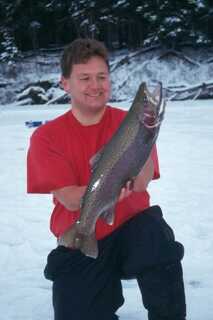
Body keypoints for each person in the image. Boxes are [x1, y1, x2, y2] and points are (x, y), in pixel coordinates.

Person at [27, 38, 186, 320]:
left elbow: (141, 182)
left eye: (102, 76)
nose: (95, 85)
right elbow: (69, 198)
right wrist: (107, 190)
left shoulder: (130, 123)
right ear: (65, 83)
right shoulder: (46, 137)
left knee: (156, 235)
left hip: (133, 233)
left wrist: (146, 137)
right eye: (84, 78)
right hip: (82, 233)